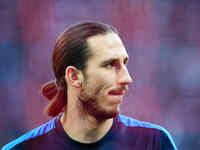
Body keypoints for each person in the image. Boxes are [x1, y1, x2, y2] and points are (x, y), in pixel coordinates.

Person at [2, 22, 178, 150]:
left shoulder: (154, 142)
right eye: (110, 64)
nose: (127, 78)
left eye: (124, 63)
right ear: (74, 76)